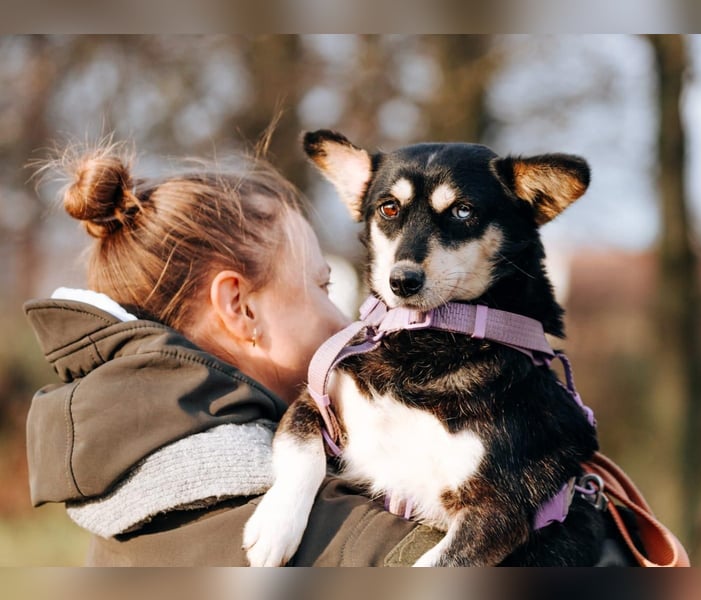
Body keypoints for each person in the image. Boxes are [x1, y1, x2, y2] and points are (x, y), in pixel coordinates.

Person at [24, 140, 441, 566]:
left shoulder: (114, 527)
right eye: (322, 287)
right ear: (240, 308)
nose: (348, 325)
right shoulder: (361, 542)